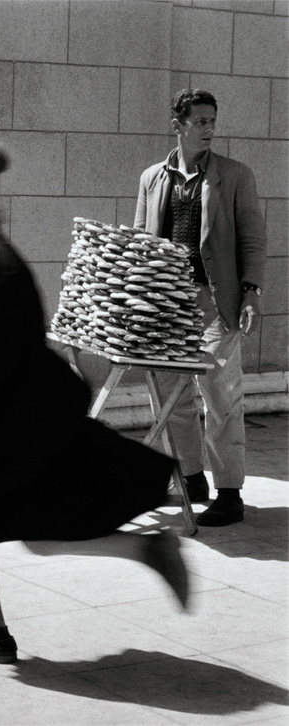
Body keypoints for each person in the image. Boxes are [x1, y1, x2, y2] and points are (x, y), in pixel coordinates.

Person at [0, 143, 189, 665]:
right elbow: (9, 350)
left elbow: (2, 352)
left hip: (24, 412)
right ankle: (146, 548)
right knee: (33, 529)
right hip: (32, 404)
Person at [135, 88, 268, 527]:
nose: (210, 129)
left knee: (221, 396)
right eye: (200, 121)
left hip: (216, 302)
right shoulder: (152, 177)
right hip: (167, 304)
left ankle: (229, 493)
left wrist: (251, 292)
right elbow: (141, 242)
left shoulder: (235, 176)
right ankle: (191, 477)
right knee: (171, 397)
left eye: (213, 120)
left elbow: (252, 239)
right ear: (178, 126)